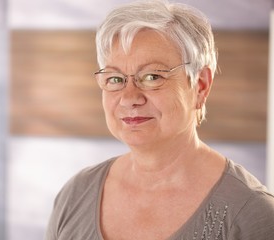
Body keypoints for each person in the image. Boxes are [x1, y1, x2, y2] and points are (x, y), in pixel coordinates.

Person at [45, 0, 274, 239]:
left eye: (152, 76)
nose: (129, 98)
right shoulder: (75, 194)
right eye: (115, 79)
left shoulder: (253, 216)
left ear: (200, 85)